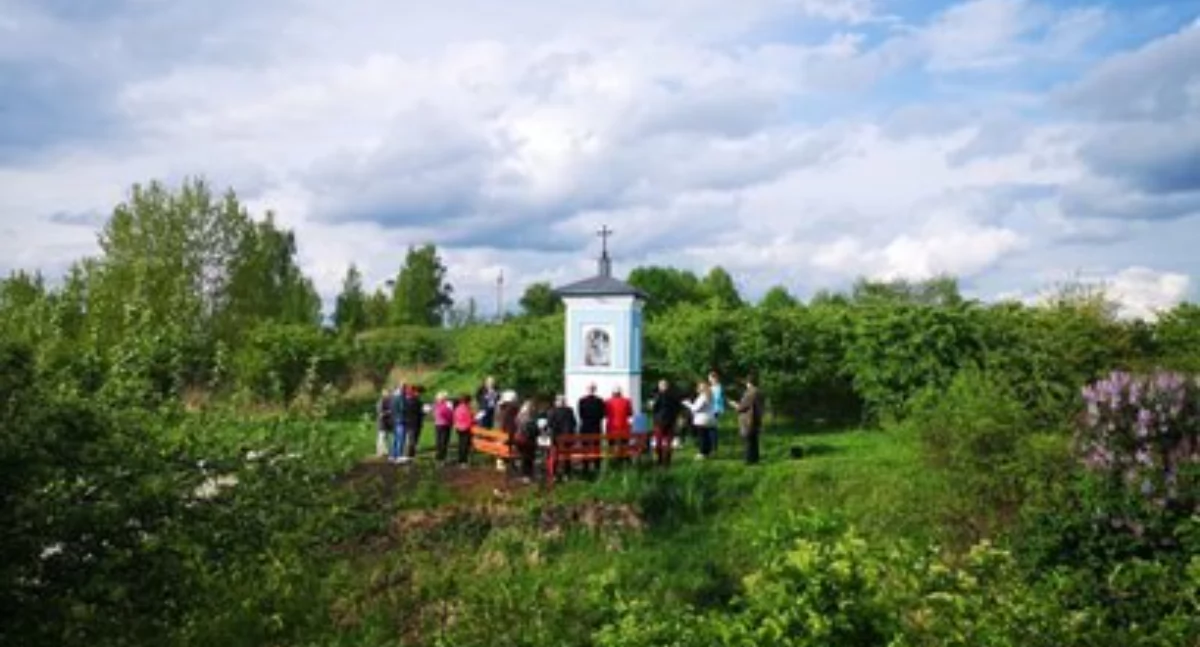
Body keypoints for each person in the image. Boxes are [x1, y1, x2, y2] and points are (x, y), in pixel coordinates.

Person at [734, 374, 764, 465]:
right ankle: (755, 459)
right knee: (754, 440)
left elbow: (742, 407)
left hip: (748, 419)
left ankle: (749, 460)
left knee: (748, 441)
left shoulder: (750, 392)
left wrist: (735, 405)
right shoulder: (759, 392)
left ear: (749, 382)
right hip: (756, 418)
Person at [547, 394, 578, 480]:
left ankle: (554, 475)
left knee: (554, 454)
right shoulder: (569, 411)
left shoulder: (551, 411)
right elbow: (574, 423)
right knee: (566, 455)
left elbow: (549, 425)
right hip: (567, 439)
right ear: (564, 402)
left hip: (556, 440)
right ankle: (566, 474)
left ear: (556, 402)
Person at [651, 379, 682, 467]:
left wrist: (651, 405)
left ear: (660, 387)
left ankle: (660, 459)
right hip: (671, 421)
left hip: (659, 421)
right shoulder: (674, 396)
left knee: (658, 441)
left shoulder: (658, 396)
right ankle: (667, 460)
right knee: (668, 441)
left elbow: (654, 408)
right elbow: (678, 408)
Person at [577, 383, 606, 474]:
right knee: (597, 447)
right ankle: (597, 466)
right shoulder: (600, 401)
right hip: (596, 427)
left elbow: (581, 415)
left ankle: (585, 467)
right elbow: (602, 415)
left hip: (585, 427)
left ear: (587, 389)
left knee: (585, 447)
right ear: (595, 390)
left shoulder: (581, 401)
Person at [686, 380, 716, 460]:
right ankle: (708, 452)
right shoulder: (710, 395)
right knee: (706, 436)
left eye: (699, 387)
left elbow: (695, 408)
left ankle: (702, 453)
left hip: (702, 419)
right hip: (710, 418)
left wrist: (688, 404)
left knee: (702, 437)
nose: (697, 388)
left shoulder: (702, 397)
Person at [605, 386, 633, 464]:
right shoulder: (627, 401)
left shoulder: (608, 401)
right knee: (625, 444)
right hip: (624, 427)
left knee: (611, 444)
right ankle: (625, 460)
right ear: (620, 393)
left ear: (613, 393)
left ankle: (612, 461)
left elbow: (606, 414)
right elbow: (630, 413)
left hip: (612, 427)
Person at [514, 399, 538, 483]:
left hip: (518, 440)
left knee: (527, 455)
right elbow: (533, 432)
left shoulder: (519, 416)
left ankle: (526, 474)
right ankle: (527, 475)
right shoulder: (529, 418)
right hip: (525, 442)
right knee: (529, 455)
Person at [403, 385, 426, 460]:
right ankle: (410, 454)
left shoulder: (408, 400)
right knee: (413, 438)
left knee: (411, 438)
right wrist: (424, 412)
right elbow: (419, 412)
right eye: (419, 393)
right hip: (415, 422)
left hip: (409, 421)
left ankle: (410, 452)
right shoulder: (417, 401)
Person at [453, 394, 474, 467]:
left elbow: (455, 417)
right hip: (465, 428)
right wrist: (474, 420)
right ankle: (463, 461)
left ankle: (460, 460)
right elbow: (469, 420)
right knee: (465, 445)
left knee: (461, 444)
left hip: (458, 427)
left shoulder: (458, 407)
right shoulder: (466, 408)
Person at [433, 391, 454, 463]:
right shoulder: (445, 406)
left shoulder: (436, 406)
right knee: (444, 441)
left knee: (438, 440)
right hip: (445, 425)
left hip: (437, 424)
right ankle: (442, 457)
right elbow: (449, 415)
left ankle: (438, 456)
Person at [389, 383, 407, 464]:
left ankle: (392, 455)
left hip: (394, 419)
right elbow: (403, 408)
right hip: (401, 419)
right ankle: (399, 456)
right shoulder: (401, 398)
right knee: (400, 438)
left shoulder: (392, 397)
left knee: (395, 438)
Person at [708, 371, 725, 456]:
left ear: (715, 378)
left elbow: (717, 398)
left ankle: (714, 449)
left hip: (715, 410)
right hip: (710, 409)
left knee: (712, 429)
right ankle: (711, 447)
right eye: (709, 378)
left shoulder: (718, 387)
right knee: (710, 428)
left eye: (710, 378)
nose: (709, 380)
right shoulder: (712, 387)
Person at [376, 388, 393, 457]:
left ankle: (386, 451)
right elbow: (380, 413)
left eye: (389, 393)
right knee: (381, 437)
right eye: (388, 393)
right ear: (384, 394)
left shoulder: (390, 401)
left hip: (388, 422)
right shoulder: (381, 402)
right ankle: (379, 452)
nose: (389, 394)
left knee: (386, 437)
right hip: (382, 422)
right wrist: (389, 412)